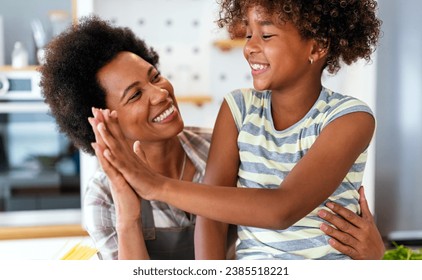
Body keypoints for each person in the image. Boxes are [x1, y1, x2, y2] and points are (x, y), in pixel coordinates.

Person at [92, 0, 384, 260]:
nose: (250, 47)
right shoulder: (238, 108)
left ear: (317, 46)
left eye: (266, 35)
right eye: (248, 34)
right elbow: (212, 219)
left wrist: (156, 185)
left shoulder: (349, 118)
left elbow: (282, 209)